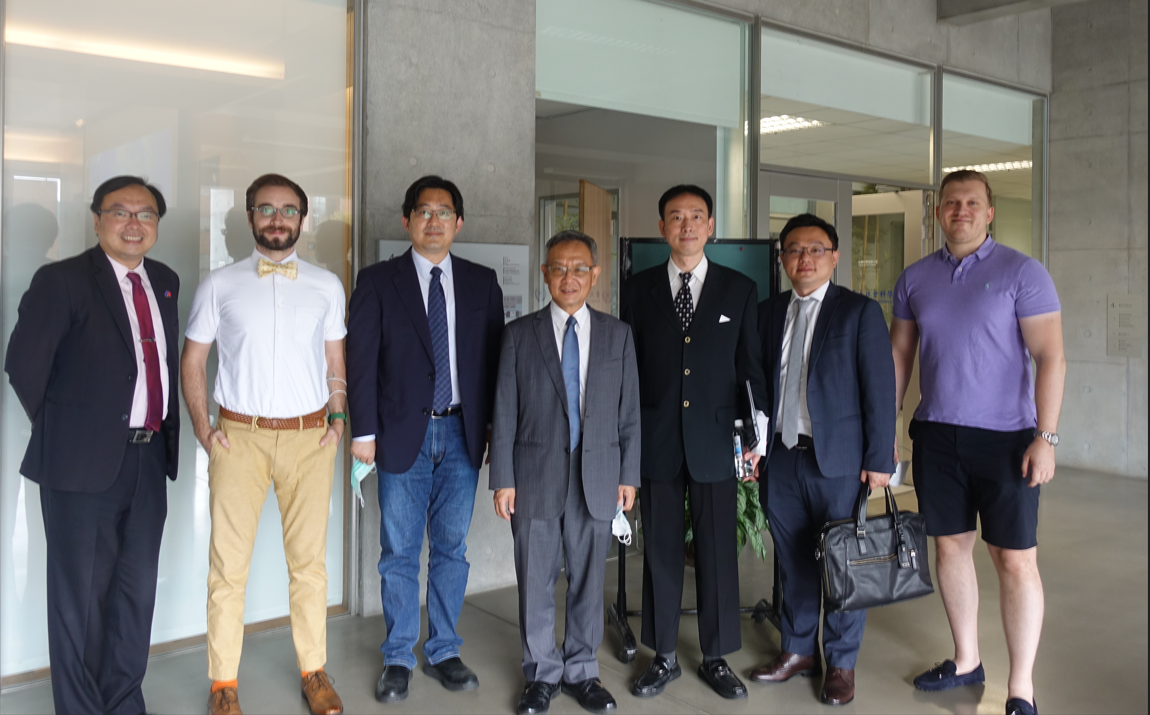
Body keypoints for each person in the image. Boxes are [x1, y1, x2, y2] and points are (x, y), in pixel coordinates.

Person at [5, 176, 180, 714]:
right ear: (97, 219)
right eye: (120, 212)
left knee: (136, 590)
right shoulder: (62, 280)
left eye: (145, 214)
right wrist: (71, 428)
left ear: (156, 224)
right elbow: (23, 365)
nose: (134, 224)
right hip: (80, 465)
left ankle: (124, 699)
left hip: (149, 458)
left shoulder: (166, 281)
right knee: (79, 601)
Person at [892, 170, 1065, 715]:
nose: (960, 210)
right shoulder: (915, 278)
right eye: (950, 203)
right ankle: (967, 659)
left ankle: (1021, 686)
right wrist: (886, 433)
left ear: (989, 212)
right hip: (937, 435)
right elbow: (900, 357)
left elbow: (1051, 357)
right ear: (938, 212)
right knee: (950, 548)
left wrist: (1046, 435)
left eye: (972, 203)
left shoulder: (1023, 272)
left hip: (1009, 440)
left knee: (1014, 560)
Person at [182, 174, 348, 715]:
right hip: (241, 438)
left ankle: (314, 671)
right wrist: (205, 430)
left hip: (309, 438)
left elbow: (334, 362)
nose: (278, 219)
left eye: (289, 210)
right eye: (267, 209)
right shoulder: (219, 285)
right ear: (250, 215)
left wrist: (339, 418)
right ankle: (223, 684)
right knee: (227, 568)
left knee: (310, 565)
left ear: (302, 217)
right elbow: (192, 362)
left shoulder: (327, 285)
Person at [346, 175, 504, 703]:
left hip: (462, 433)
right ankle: (397, 656)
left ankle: (443, 650)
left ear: (458, 223)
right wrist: (362, 432)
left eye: (444, 212)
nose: (434, 221)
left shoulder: (482, 283)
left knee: (452, 549)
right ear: (406, 220)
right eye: (423, 211)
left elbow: (495, 364)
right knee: (399, 551)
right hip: (398, 435)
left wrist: (492, 434)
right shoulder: (377, 280)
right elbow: (361, 361)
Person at [620, 184, 767, 701]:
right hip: (657, 437)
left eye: (696, 217)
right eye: (676, 217)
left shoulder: (739, 289)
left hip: (716, 439)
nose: (686, 226)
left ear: (711, 227)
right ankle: (661, 655)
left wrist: (753, 439)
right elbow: (628, 372)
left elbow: (750, 370)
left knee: (716, 551)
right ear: (662, 227)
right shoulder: (637, 291)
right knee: (658, 550)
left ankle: (717, 655)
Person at [490, 231, 641, 715]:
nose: (569, 277)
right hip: (533, 475)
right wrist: (503, 478)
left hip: (597, 475)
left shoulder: (618, 335)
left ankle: (581, 671)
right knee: (535, 580)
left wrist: (629, 475)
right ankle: (541, 674)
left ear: (595, 275)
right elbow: (505, 409)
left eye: (580, 269)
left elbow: (629, 413)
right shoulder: (519, 334)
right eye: (559, 268)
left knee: (587, 581)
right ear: (545, 274)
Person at [749, 213, 896, 706]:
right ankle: (797, 650)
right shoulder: (769, 313)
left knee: (844, 566)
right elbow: (758, 388)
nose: (804, 258)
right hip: (783, 460)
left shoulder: (857, 313)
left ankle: (841, 662)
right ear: (783, 258)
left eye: (815, 249)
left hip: (839, 462)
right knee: (793, 562)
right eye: (793, 249)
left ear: (834, 256)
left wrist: (880, 458)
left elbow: (879, 389)